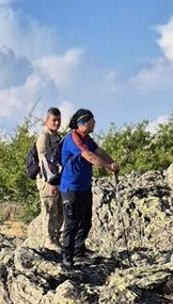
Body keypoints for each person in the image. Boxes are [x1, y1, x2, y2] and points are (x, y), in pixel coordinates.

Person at [58, 108, 119, 267]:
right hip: (71, 188)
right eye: (92, 120)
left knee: (85, 220)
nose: (95, 123)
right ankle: (67, 256)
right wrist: (107, 166)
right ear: (83, 123)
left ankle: (79, 252)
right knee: (72, 222)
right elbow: (89, 156)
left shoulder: (88, 139)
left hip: (84, 186)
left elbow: (99, 151)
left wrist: (112, 163)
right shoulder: (73, 139)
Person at [35, 107, 65, 251]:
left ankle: (56, 239)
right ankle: (49, 240)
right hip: (47, 180)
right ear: (47, 120)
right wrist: (51, 181)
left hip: (57, 179)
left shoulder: (57, 137)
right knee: (49, 209)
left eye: (58, 120)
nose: (57, 123)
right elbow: (43, 161)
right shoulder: (43, 137)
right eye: (54, 120)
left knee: (59, 210)